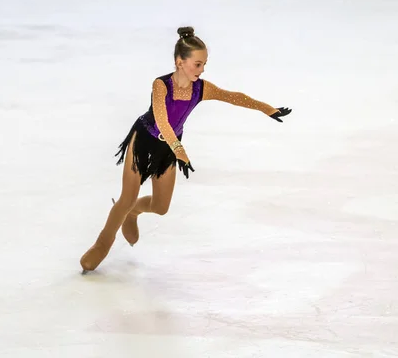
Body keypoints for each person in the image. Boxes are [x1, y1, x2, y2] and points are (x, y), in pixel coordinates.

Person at [80, 26, 291, 273]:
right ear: (180, 62)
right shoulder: (161, 85)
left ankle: (133, 211)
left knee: (161, 207)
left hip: (168, 148)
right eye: (197, 64)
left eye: (204, 65)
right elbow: (162, 120)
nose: (202, 70)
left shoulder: (201, 89)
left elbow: (234, 96)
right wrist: (180, 150)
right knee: (126, 195)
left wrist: (266, 108)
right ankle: (102, 243)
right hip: (144, 140)